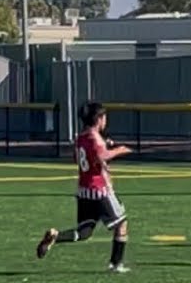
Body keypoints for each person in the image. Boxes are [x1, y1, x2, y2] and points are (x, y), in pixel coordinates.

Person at [35, 101, 134, 272]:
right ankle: (116, 264)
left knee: (84, 232)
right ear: (99, 119)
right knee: (121, 224)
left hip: (84, 190)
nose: (105, 121)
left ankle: (55, 236)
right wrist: (120, 150)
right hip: (100, 190)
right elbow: (102, 155)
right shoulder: (96, 139)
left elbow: (79, 158)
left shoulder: (81, 138)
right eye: (104, 118)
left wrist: (104, 148)